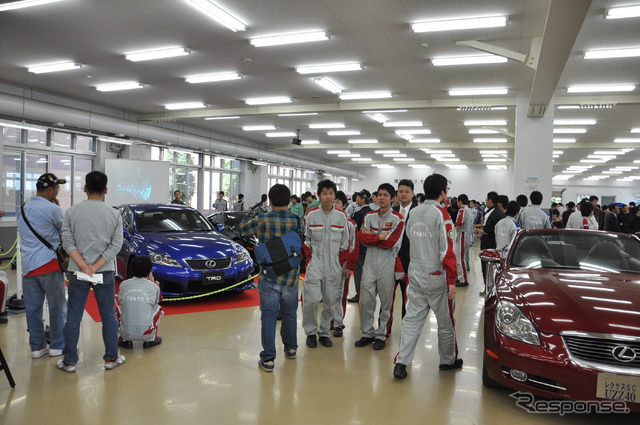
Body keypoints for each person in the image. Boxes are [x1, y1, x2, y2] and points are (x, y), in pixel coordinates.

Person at [393, 173, 461, 379]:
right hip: (436, 276)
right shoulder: (442, 215)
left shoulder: (414, 213)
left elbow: (407, 240)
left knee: (412, 319)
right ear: (443, 192)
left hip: (415, 273)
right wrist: (451, 280)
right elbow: (448, 251)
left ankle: (401, 362)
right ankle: (448, 360)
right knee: (445, 321)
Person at [58, 171, 125, 373]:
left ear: (85, 188)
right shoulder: (114, 214)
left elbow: (67, 243)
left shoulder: (71, 212)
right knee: (108, 316)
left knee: (73, 316)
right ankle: (111, 358)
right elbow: (116, 245)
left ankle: (70, 362)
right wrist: (95, 267)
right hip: (103, 271)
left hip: (77, 272)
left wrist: (85, 266)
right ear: (105, 190)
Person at [238, 184, 302, 372]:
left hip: (269, 276)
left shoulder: (262, 219)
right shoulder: (298, 220)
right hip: (290, 275)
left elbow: (242, 229)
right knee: (290, 314)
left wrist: (257, 209)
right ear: (290, 200)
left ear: (270, 201)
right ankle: (291, 348)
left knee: (269, 317)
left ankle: (268, 358)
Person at [16, 173, 68, 359]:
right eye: (57, 188)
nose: (58, 192)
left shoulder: (23, 208)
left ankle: (37, 347)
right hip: (49, 264)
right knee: (57, 306)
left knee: (33, 308)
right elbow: (65, 233)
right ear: (50, 189)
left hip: (28, 266)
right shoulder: (52, 209)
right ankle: (58, 345)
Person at [355, 183, 404, 351]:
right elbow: (363, 239)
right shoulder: (368, 217)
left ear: (392, 198)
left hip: (387, 262)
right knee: (366, 300)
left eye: (385, 195)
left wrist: (374, 237)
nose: (382, 198)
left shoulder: (398, 218)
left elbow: (391, 243)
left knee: (386, 301)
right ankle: (367, 333)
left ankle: (381, 334)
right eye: (379, 194)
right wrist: (379, 237)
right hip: (369, 262)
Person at [301, 180, 349, 348]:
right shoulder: (311, 215)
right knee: (311, 299)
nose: (328, 197)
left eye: (331, 194)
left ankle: (323, 332)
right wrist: (309, 260)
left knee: (330, 300)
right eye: (324, 193)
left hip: (334, 265)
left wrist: (339, 262)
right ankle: (311, 332)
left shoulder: (341, 217)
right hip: (315, 264)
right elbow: (305, 241)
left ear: (335, 195)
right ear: (319, 195)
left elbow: (345, 243)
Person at [388, 179, 417, 331]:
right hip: (390, 262)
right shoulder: (391, 211)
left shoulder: (419, 212)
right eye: (400, 191)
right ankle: (383, 332)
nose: (403, 194)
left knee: (408, 300)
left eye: (407, 191)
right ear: (396, 194)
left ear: (413, 194)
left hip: (410, 263)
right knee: (387, 300)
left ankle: (407, 332)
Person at [117, 256, 163, 349]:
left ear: (132, 269)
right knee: (158, 309)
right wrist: (153, 282)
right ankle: (150, 339)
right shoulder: (154, 286)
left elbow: (120, 301)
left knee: (120, 308)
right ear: (149, 271)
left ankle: (124, 339)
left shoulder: (123, 284)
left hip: (125, 333)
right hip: (147, 333)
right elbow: (158, 300)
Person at [332, 191, 359, 335]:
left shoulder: (351, 224)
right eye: (333, 202)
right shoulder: (325, 221)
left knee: (339, 293)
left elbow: (354, 246)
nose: (335, 205)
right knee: (324, 294)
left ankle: (338, 323)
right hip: (325, 263)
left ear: (344, 205)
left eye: (338, 203)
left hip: (342, 264)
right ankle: (326, 323)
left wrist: (350, 266)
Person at [474, 191, 505, 296]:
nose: (486, 201)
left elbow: (487, 230)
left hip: (488, 244)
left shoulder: (490, 212)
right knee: (495, 268)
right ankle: (494, 289)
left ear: (490, 201)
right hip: (497, 243)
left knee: (486, 268)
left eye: (486, 200)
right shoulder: (500, 212)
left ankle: (487, 289)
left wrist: (478, 230)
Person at [348, 192, 372, 303]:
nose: (356, 198)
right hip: (371, 248)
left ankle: (359, 294)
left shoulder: (359, 213)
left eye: (358, 197)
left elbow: (353, 231)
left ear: (363, 199)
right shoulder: (373, 212)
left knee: (359, 272)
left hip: (361, 248)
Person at [454, 194, 472, 287]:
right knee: (461, 257)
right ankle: (460, 277)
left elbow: (458, 223)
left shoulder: (462, 209)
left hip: (462, 235)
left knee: (460, 258)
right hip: (467, 235)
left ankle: (463, 279)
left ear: (460, 201)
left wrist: (454, 235)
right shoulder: (468, 209)